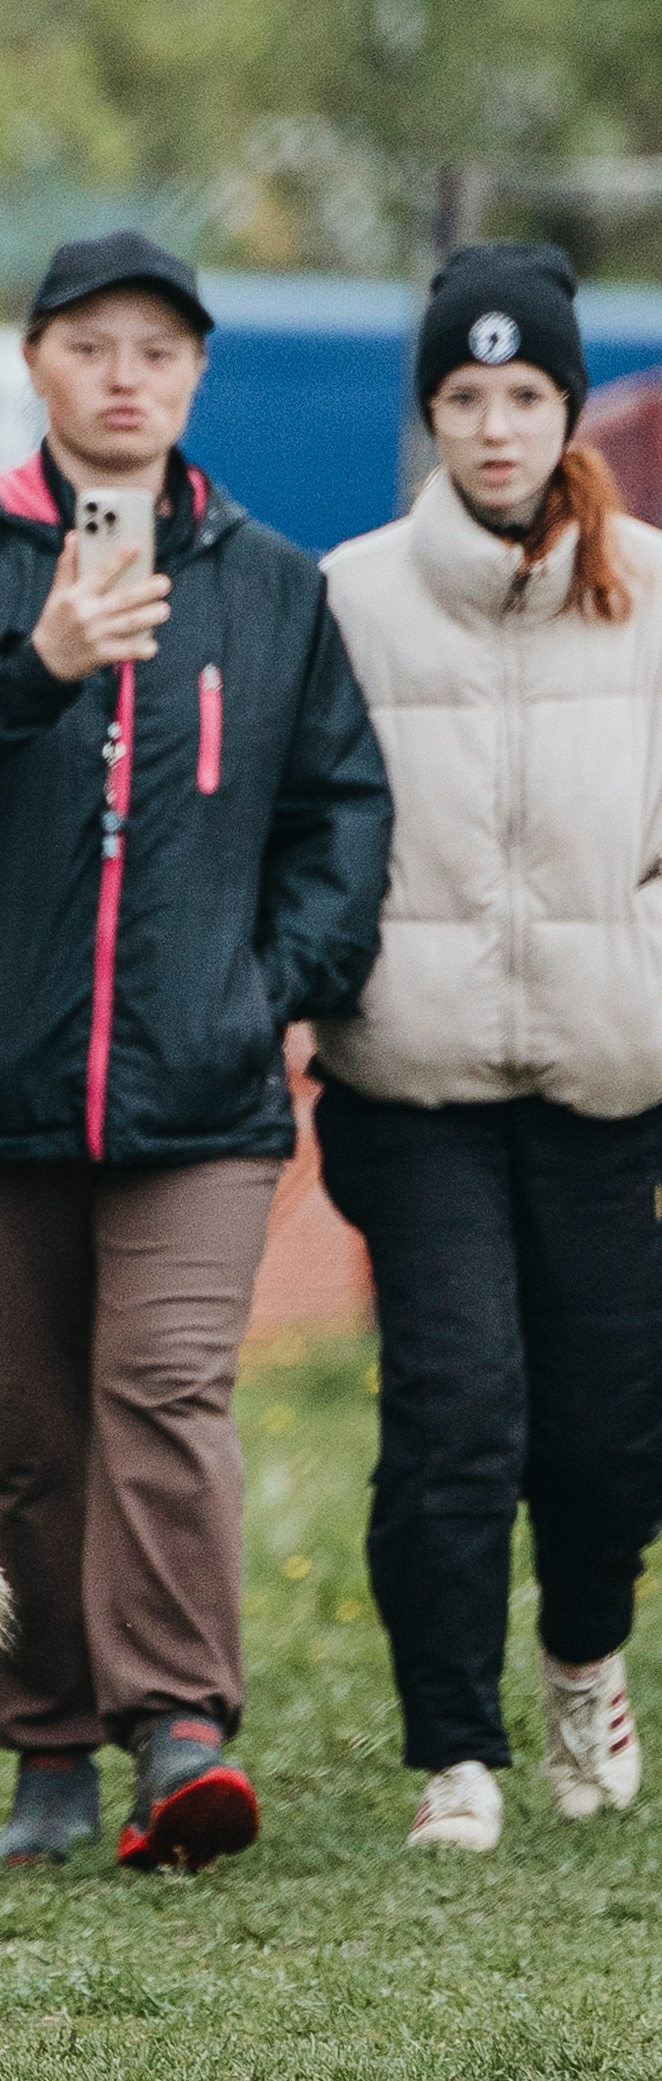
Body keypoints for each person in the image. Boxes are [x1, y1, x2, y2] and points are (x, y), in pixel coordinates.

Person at [0, 230, 391, 1872]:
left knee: (165, 1394)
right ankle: (49, 1752)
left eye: (159, 348)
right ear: (36, 365)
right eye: (93, 344)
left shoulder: (272, 583)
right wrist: (42, 667)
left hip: (200, 1096)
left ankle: (182, 1733)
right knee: (24, 1441)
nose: (126, 373)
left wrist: (265, 982)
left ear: (196, 377)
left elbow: (341, 813)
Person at [313, 242, 662, 1857]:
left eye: (527, 394)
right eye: (465, 395)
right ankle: (456, 1751)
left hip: (608, 1078)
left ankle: (586, 1664)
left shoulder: (651, 590)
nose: (497, 424)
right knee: (457, 1412)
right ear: (433, 414)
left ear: (570, 407)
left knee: (604, 1425)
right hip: (417, 1079)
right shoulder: (353, 597)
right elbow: (309, 824)